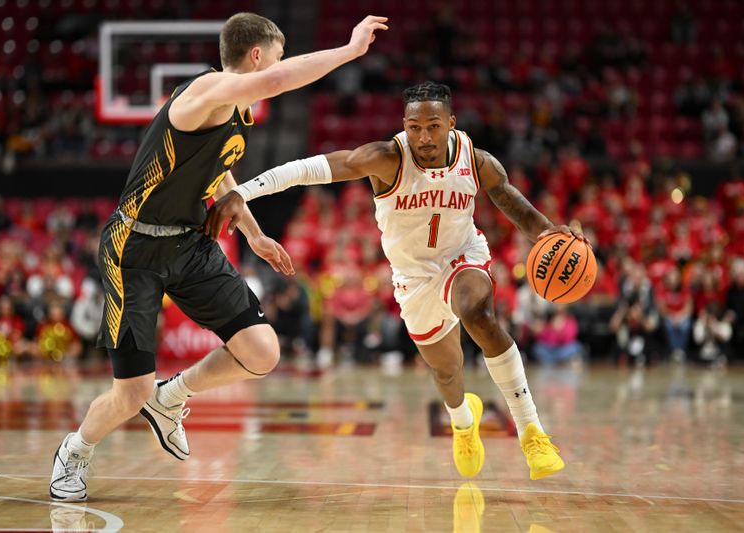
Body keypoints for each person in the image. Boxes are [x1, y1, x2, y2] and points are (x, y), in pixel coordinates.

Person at [49, 12, 388, 502]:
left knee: (261, 350)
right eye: (278, 54)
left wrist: (252, 232)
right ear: (257, 56)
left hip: (188, 242)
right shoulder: (203, 94)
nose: (280, 64)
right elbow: (280, 79)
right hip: (135, 248)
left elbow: (219, 172)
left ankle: (174, 397)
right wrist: (350, 50)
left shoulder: (234, 113)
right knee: (131, 393)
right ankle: (75, 451)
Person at [209, 81, 584, 480]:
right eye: (414, 126)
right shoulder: (387, 158)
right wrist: (242, 192)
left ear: (451, 123)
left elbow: (509, 200)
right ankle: (462, 421)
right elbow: (308, 169)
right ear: (403, 124)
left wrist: (550, 232)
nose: (423, 137)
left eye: (433, 126)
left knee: (478, 313)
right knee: (447, 372)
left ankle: (532, 432)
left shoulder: (475, 160)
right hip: (412, 277)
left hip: (462, 257)